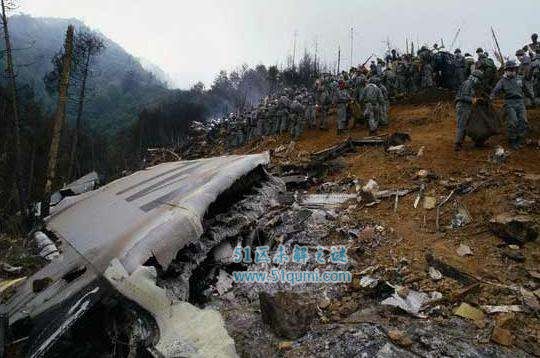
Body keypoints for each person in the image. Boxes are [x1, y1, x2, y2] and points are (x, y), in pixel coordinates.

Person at [490, 61, 533, 149]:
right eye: (509, 70)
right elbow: (495, 90)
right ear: (505, 71)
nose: (511, 71)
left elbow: (526, 89)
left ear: (515, 70)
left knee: (523, 121)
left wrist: (532, 98)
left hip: (520, 102)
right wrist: (491, 97)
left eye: (513, 69)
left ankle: (519, 139)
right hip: (510, 102)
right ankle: (512, 140)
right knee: (513, 121)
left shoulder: (520, 79)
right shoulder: (502, 81)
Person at [454, 70, 483, 151]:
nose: (479, 81)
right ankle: (457, 144)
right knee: (462, 125)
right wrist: (473, 100)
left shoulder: (471, 84)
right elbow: (463, 96)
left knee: (467, 124)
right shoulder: (468, 84)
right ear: (475, 77)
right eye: (478, 79)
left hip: (467, 107)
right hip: (463, 107)